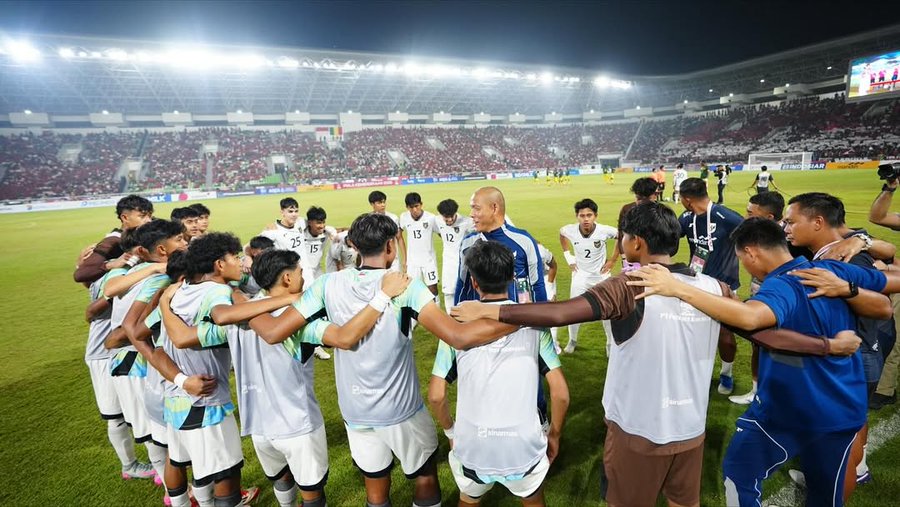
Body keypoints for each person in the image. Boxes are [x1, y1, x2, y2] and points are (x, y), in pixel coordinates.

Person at [450, 203, 863, 507]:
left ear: (636, 242)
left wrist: (491, 310)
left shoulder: (628, 286)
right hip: (690, 429)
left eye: (625, 237)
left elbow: (559, 313)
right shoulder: (715, 288)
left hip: (637, 431)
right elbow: (764, 335)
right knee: (684, 502)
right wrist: (828, 346)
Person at [245, 213, 519, 507]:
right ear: (390, 246)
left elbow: (274, 331)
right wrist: (519, 318)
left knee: (374, 483)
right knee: (425, 475)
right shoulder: (405, 286)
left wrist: (241, 299)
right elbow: (458, 337)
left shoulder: (325, 285)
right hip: (400, 409)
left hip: (355, 410)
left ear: (353, 245)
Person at [625, 218, 893, 507]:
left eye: (742, 259)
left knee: (740, 473)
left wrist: (678, 288)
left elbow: (750, 319)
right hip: (842, 406)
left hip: (788, 410)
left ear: (751, 253)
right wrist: (850, 286)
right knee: (825, 492)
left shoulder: (781, 286)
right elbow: (888, 293)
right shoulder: (832, 270)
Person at [163, 248, 412, 507]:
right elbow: (344, 338)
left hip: (259, 428)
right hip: (297, 425)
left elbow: (182, 337)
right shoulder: (301, 321)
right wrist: (382, 296)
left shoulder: (236, 322)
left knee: (281, 480)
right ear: (287, 278)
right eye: (300, 272)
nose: (303, 277)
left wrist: (164, 305)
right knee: (312, 495)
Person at [158, 232, 296, 507]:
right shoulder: (218, 294)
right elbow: (205, 326)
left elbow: (159, 346)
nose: (241, 262)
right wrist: (291, 298)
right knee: (226, 473)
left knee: (181, 460)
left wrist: (180, 379)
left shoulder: (180, 292)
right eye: (235, 257)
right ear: (220, 265)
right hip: (205, 399)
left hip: (175, 396)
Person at [428, 241, 570, 506]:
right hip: (523, 444)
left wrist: (451, 433)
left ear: (474, 282)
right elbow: (560, 393)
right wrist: (554, 435)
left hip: (472, 443)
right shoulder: (534, 323)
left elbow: (436, 395)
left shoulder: (455, 326)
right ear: (512, 277)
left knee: (468, 499)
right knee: (533, 499)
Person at [784, 192, 897, 491]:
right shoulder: (836, 250)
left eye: (791, 221)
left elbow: (880, 303)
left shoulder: (848, 257)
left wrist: (845, 288)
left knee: (838, 438)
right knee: (853, 423)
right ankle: (858, 469)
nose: (786, 228)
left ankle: (833, 488)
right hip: (862, 351)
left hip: (852, 356)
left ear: (818, 222)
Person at [678, 177, 742, 394]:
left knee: (725, 334)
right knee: (690, 330)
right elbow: (670, 239)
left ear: (687, 199)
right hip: (695, 284)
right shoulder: (686, 218)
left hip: (723, 286)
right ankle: (695, 373)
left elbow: (754, 238)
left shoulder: (727, 217)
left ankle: (727, 374)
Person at [455, 187, 546, 305]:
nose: (471, 214)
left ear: (494, 208)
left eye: (476, 208)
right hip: (481, 315)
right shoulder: (467, 242)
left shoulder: (524, 241)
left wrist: (539, 315)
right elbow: (463, 284)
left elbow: (536, 284)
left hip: (516, 315)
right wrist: (457, 313)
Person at [558, 198, 618, 354]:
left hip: (601, 276)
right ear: (577, 216)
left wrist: (612, 260)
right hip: (580, 276)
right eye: (582, 215)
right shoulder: (570, 230)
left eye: (589, 215)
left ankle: (609, 344)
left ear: (595, 216)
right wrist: (568, 257)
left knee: (608, 310)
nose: (586, 219)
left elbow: (621, 236)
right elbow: (562, 234)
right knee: (573, 310)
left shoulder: (604, 230)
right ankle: (572, 340)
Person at [74, 194, 154, 286]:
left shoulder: (144, 234)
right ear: (125, 218)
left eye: (150, 216)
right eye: (142, 216)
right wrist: (111, 264)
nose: (149, 220)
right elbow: (80, 275)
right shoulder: (112, 241)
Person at [608, 177, 658, 274]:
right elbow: (621, 234)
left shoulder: (661, 212)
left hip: (653, 260)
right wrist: (623, 257)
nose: (641, 203)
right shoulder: (627, 209)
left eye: (646, 199)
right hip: (631, 260)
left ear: (654, 195)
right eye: (639, 198)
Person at [435, 199, 474, 311]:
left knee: (464, 290)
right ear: (441, 214)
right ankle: (450, 317)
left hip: (464, 263)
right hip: (448, 263)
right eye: (446, 217)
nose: (450, 219)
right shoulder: (437, 220)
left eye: (452, 216)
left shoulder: (466, 222)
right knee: (448, 293)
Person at [400, 192, 439, 295]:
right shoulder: (404, 217)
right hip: (412, 262)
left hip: (429, 260)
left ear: (421, 204)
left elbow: (442, 233)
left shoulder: (431, 218)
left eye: (416, 206)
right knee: (412, 290)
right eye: (411, 207)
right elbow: (398, 236)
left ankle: (435, 305)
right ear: (407, 207)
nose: (414, 210)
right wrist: (404, 259)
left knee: (433, 289)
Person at [369, 190, 405, 272]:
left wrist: (404, 259)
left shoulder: (393, 218)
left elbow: (399, 238)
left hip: (393, 259)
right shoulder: (368, 219)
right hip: (376, 258)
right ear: (372, 204)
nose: (383, 205)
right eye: (379, 203)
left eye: (383, 202)